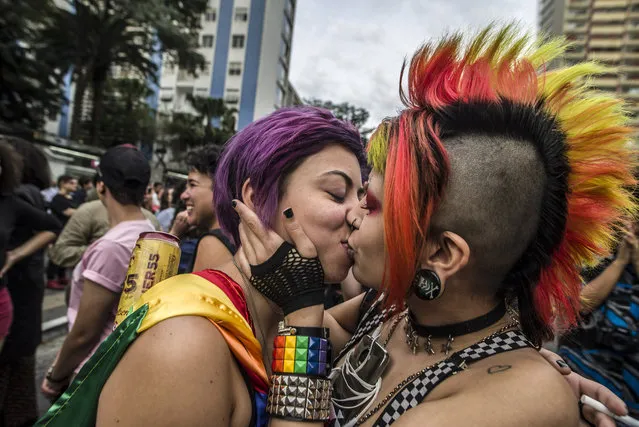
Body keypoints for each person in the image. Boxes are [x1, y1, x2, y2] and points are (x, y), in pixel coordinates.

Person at [38, 61, 629, 427]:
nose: (353, 218)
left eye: (368, 203)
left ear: (442, 255)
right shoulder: (391, 311)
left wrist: (534, 384)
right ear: (258, 197)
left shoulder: (518, 390)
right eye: (341, 192)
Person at [40, 145, 155, 400]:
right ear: (145, 191)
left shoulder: (111, 247)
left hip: (93, 371)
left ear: (101, 187)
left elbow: (84, 333)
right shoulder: (147, 231)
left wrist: (55, 376)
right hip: (121, 365)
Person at [0, 139, 61, 426]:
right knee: (21, 379)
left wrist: (14, 255)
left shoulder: (18, 197)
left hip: (15, 290)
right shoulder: (34, 194)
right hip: (28, 291)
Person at [558, 219, 639, 417]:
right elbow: (579, 306)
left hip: (628, 398)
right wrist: (620, 262)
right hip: (579, 377)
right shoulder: (604, 258)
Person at [169, 145, 235, 272]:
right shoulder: (233, 237)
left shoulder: (212, 243)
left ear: (219, 190)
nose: (183, 195)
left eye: (192, 185)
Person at [48, 199, 160, 269]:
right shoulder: (151, 220)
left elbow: (60, 252)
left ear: (101, 186)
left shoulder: (89, 210)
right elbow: (61, 252)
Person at [46, 175, 79, 290]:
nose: (75, 185)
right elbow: (67, 212)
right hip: (58, 230)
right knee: (55, 254)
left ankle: (61, 276)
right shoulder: (58, 198)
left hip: (68, 230)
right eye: (71, 183)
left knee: (64, 253)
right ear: (63, 184)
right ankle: (51, 278)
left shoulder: (70, 198)